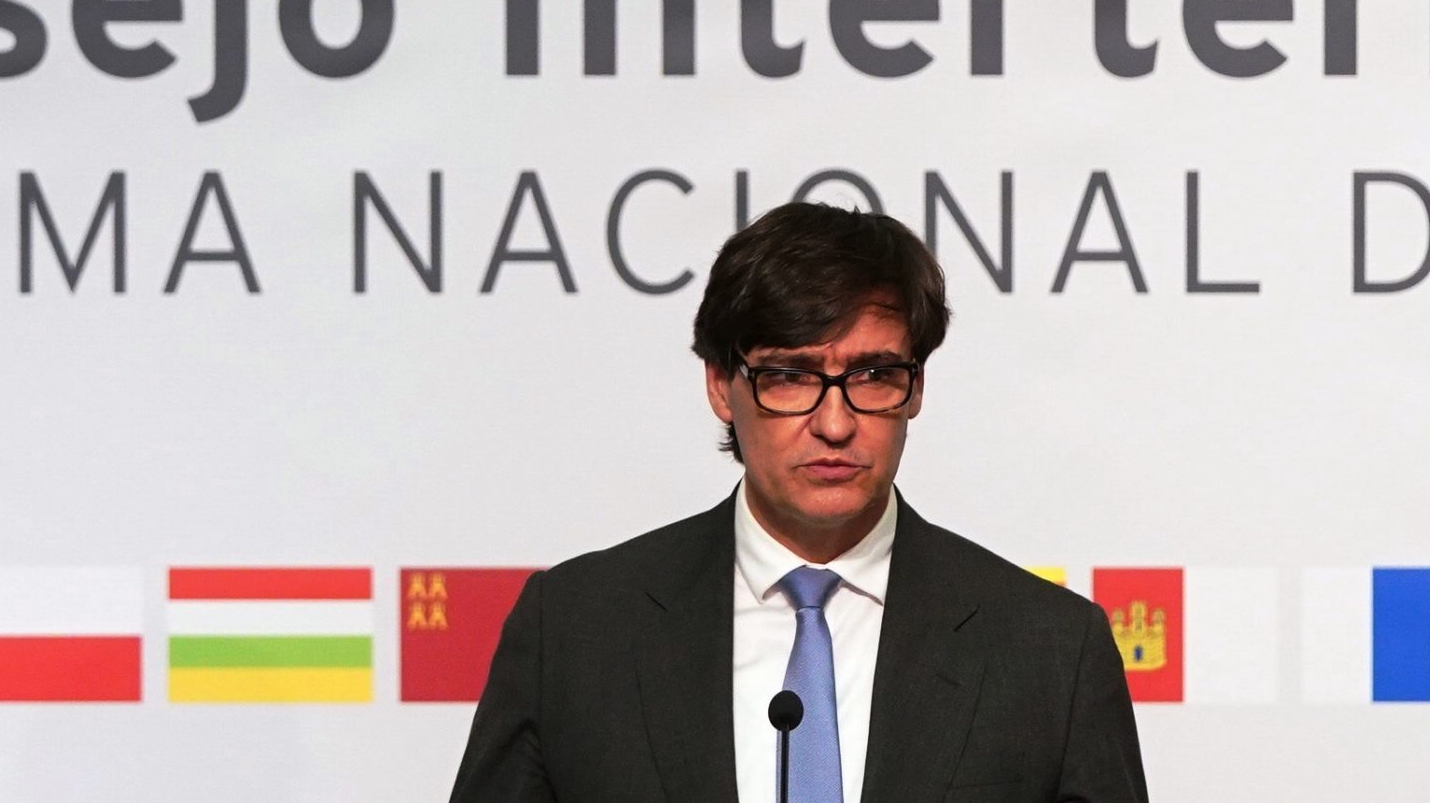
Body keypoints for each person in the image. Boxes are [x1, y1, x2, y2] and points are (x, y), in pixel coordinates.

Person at [447, 201, 1148, 803]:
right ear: (723, 385)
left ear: (917, 387)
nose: (835, 423)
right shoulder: (574, 631)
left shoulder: (1049, 650)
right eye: (791, 376)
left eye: (874, 375)